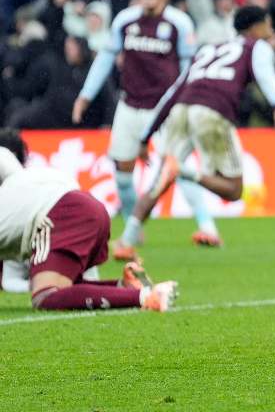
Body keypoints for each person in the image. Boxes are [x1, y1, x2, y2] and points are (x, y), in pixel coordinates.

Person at [113, 6, 275, 258]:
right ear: (255, 27)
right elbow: (266, 75)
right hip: (212, 111)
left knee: (159, 182)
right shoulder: (256, 46)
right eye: (268, 24)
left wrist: (146, 136)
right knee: (233, 190)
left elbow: (174, 91)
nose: (271, 30)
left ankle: (126, 242)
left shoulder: (208, 49)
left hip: (181, 109)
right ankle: (184, 171)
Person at [71, 0, 222, 248]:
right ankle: (133, 230)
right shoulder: (125, 20)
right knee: (122, 172)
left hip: (165, 109)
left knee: (176, 166)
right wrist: (85, 95)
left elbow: (189, 68)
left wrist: (189, 101)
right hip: (129, 105)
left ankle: (207, 227)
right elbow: (106, 58)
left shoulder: (179, 23)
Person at [0, 128, 177, 312]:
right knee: (65, 286)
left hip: (60, 215)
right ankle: (125, 287)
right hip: (90, 207)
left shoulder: (10, 203)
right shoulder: (24, 182)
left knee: (46, 295)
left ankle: (147, 297)